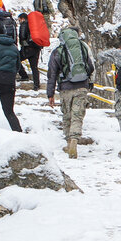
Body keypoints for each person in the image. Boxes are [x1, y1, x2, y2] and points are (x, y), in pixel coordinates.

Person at [46, 28, 94, 159]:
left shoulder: (58, 51)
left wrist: (50, 94)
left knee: (67, 116)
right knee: (77, 116)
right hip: (82, 87)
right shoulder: (82, 48)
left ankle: (68, 143)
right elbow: (91, 67)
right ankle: (74, 140)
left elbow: (52, 74)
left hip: (65, 88)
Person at [16, 13, 43, 89]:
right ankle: (36, 85)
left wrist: (23, 43)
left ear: (23, 19)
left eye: (19, 20)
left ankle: (24, 75)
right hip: (36, 48)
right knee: (34, 67)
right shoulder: (35, 24)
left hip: (27, 48)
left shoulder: (24, 24)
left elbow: (22, 36)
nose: (19, 22)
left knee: (16, 59)